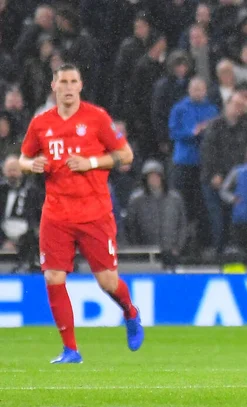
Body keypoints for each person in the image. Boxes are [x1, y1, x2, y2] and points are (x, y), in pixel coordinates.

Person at [19, 63, 144, 364]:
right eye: (63, 81)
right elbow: (23, 158)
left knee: (107, 282)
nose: (69, 87)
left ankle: (130, 312)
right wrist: (31, 166)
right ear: (54, 86)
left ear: (81, 85)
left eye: (74, 81)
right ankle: (70, 350)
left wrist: (90, 163)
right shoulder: (40, 123)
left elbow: (126, 155)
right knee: (53, 276)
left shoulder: (97, 117)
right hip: (56, 214)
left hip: (94, 212)